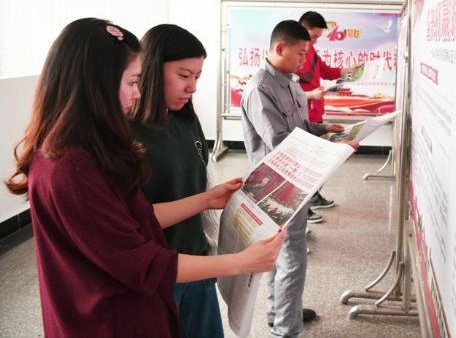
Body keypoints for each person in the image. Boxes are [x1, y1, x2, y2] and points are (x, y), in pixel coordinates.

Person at [5, 18, 284, 337]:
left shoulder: (88, 150)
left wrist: (207, 199)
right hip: (113, 317)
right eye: (132, 82)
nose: (137, 94)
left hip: (136, 305)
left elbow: (136, 219)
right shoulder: (72, 167)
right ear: (97, 83)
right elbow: (142, 262)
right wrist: (241, 262)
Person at [241, 20, 357, 337]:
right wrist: (330, 150)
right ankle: (284, 330)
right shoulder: (261, 88)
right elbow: (280, 142)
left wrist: (324, 130)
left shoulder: (290, 82)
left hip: (297, 179)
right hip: (277, 187)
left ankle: (281, 313)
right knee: (292, 258)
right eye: (302, 54)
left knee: (284, 256)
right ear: (280, 48)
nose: (305, 62)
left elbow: (299, 129)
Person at [129, 23, 236, 337]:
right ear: (150, 69)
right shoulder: (126, 132)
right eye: (183, 75)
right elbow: (130, 220)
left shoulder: (185, 119)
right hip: (156, 276)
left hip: (197, 265)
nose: (192, 88)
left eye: (198, 77)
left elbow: (197, 185)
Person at [297, 11, 351, 219]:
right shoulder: (297, 54)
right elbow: (288, 90)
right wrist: (310, 94)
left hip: (316, 113)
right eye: (313, 36)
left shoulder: (312, 52)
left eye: (318, 37)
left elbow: (327, 72)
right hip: (304, 115)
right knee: (305, 164)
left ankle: (312, 197)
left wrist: (350, 70)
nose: (315, 41)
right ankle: (304, 208)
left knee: (316, 162)